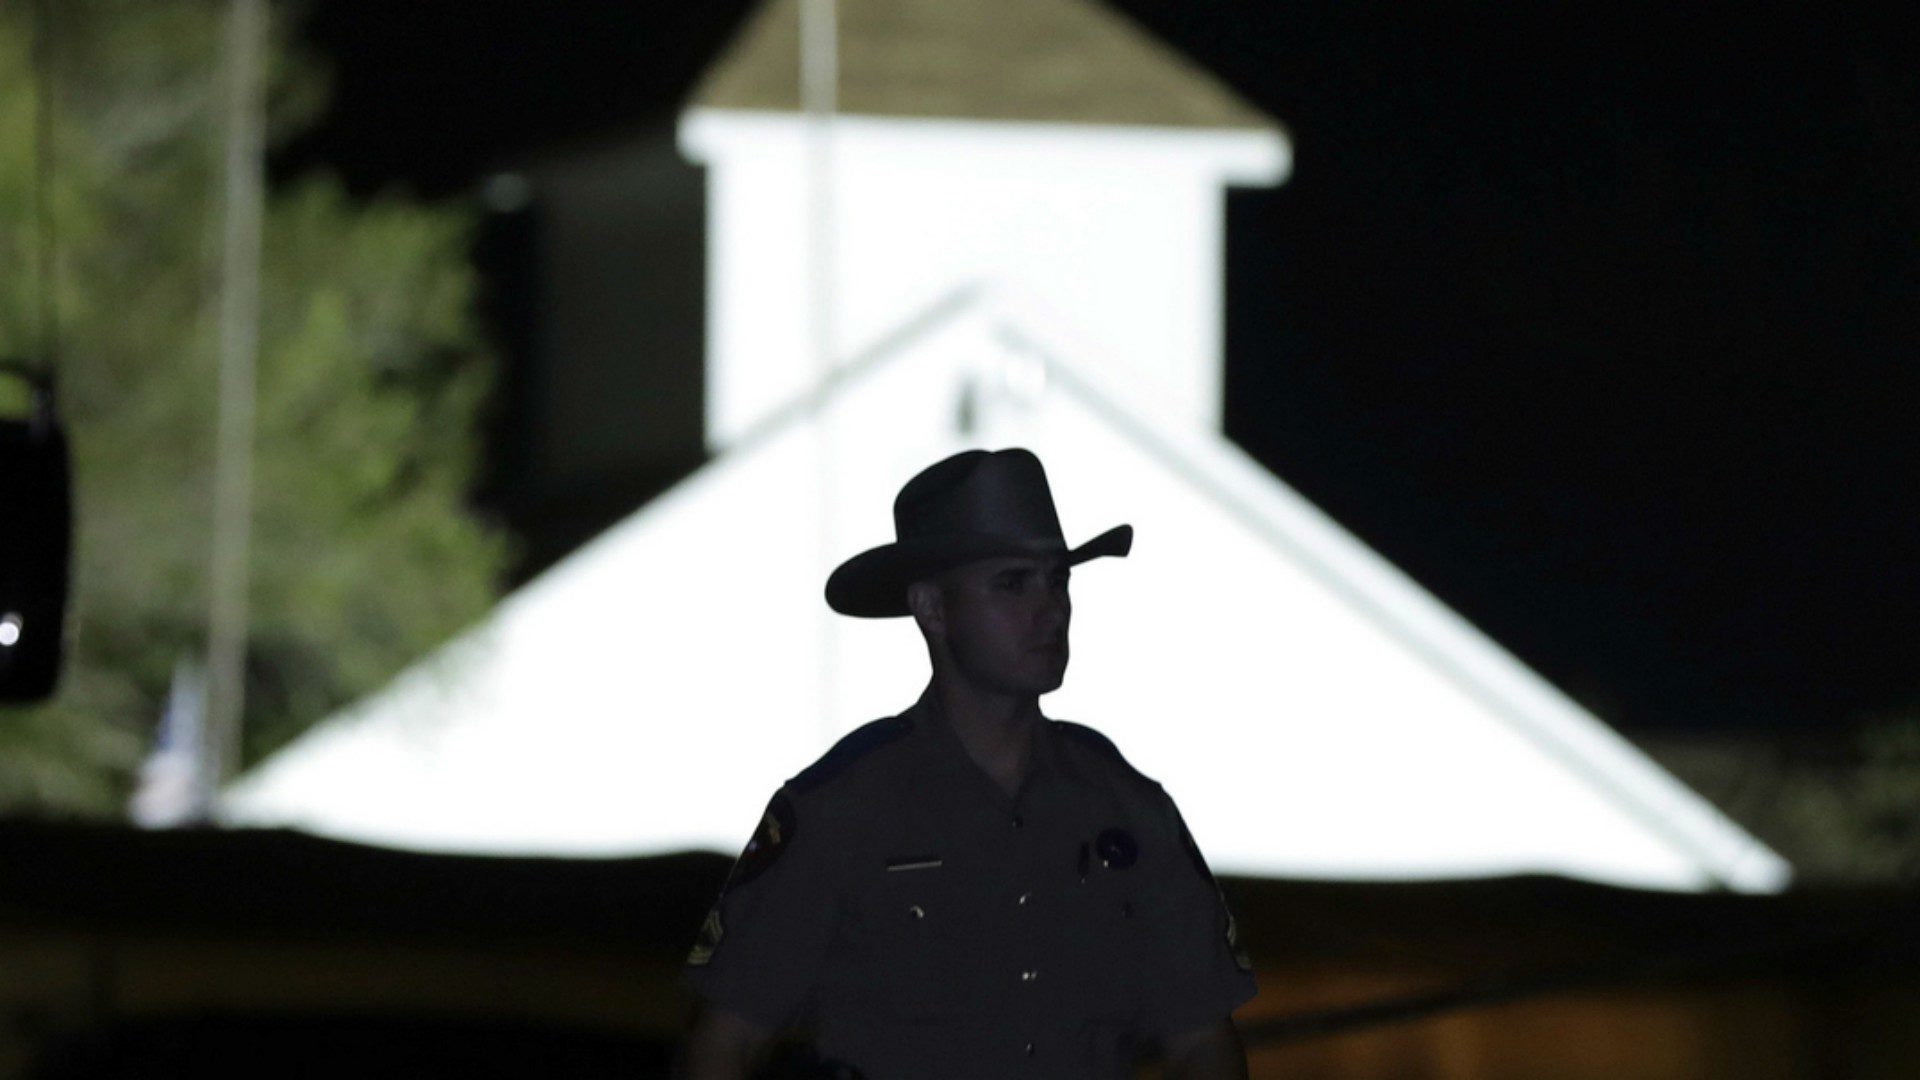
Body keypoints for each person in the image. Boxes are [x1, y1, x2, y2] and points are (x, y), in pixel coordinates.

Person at [680, 448, 1255, 1079]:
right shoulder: (842, 809)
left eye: (1058, 580)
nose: (1051, 608)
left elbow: (1203, 1041)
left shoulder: (1127, 808)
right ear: (932, 608)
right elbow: (724, 1043)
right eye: (1012, 583)